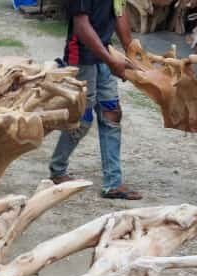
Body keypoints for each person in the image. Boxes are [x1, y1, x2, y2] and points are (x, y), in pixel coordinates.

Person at [49, 0, 143, 200]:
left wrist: (131, 51)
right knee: (83, 118)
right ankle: (57, 171)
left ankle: (113, 183)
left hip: (105, 53)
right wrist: (112, 62)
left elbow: (119, 11)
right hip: (81, 57)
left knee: (112, 114)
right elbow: (81, 26)